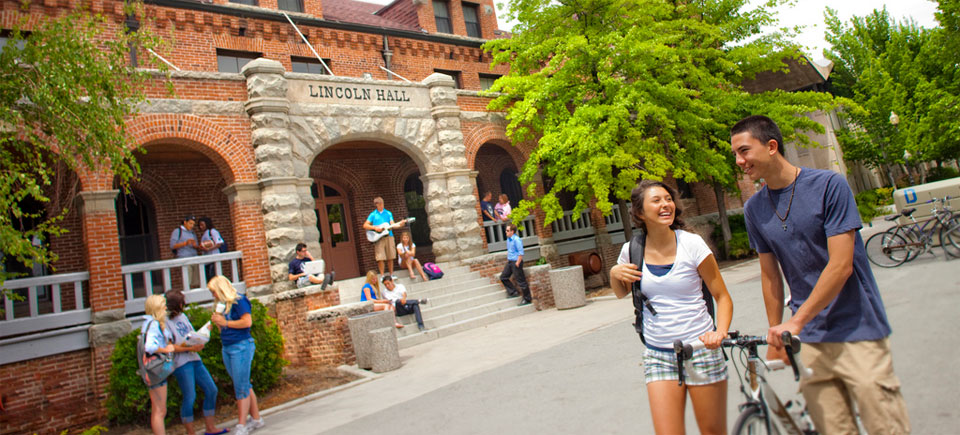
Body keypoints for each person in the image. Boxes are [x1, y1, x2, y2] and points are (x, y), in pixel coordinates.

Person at [731, 115, 909, 434]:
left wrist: (796, 321)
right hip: (809, 342)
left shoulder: (829, 185)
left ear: (771, 146)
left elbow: (841, 265)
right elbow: (770, 276)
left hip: (859, 331)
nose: (739, 161)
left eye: (744, 151)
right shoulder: (754, 209)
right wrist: (776, 331)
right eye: (735, 154)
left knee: (886, 426)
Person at [608, 180, 734, 435]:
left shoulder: (692, 244)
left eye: (668, 199)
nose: (666, 204)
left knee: (713, 431)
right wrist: (613, 273)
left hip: (701, 348)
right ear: (640, 213)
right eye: (657, 200)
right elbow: (622, 292)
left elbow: (722, 296)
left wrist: (719, 332)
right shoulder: (632, 250)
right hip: (659, 354)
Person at [208, 276, 264, 435]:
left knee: (240, 387)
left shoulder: (239, 301)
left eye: (214, 292)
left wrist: (225, 323)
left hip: (241, 346)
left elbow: (247, 322)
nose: (213, 295)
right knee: (244, 384)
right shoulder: (222, 305)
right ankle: (256, 418)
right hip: (227, 346)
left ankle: (242, 424)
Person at [164, 290, 225, 435]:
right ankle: (190, 432)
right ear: (177, 304)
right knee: (190, 396)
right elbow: (170, 346)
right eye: (182, 302)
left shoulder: (183, 316)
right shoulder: (165, 322)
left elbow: (191, 334)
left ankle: (210, 427)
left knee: (211, 389)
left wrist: (201, 336)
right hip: (182, 363)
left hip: (194, 358)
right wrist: (191, 347)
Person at [141, 294, 175, 435]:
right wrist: (166, 349)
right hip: (156, 371)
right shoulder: (154, 324)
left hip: (150, 371)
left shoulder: (147, 323)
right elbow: (149, 347)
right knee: (160, 410)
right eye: (163, 305)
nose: (166, 308)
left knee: (157, 409)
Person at [362, 197, 407, 279]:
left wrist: (401, 224)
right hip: (379, 238)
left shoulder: (388, 213)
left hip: (389, 236)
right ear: (376, 205)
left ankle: (391, 274)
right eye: (379, 204)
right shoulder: (373, 214)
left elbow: (393, 224)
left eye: (382, 203)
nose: (381, 205)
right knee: (380, 257)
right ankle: (382, 275)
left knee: (390, 256)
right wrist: (375, 228)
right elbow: (365, 225)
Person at [500, 223, 531, 306]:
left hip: (516, 261)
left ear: (512, 231)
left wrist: (518, 262)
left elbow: (521, 252)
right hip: (510, 261)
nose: (506, 232)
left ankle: (527, 299)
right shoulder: (508, 239)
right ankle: (513, 292)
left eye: (507, 230)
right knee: (503, 277)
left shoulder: (517, 240)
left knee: (521, 281)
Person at [170, 215, 200, 289]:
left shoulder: (192, 232)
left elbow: (196, 245)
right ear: (185, 222)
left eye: (193, 224)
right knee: (187, 281)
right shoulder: (177, 231)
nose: (192, 226)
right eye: (190, 223)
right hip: (184, 258)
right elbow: (172, 245)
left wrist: (195, 245)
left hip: (194, 257)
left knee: (196, 281)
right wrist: (185, 243)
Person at [197, 217, 225, 282]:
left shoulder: (212, 231)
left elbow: (219, 243)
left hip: (213, 258)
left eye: (202, 225)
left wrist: (209, 248)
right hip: (207, 260)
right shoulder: (204, 234)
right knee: (209, 278)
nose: (201, 227)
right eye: (200, 225)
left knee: (214, 277)